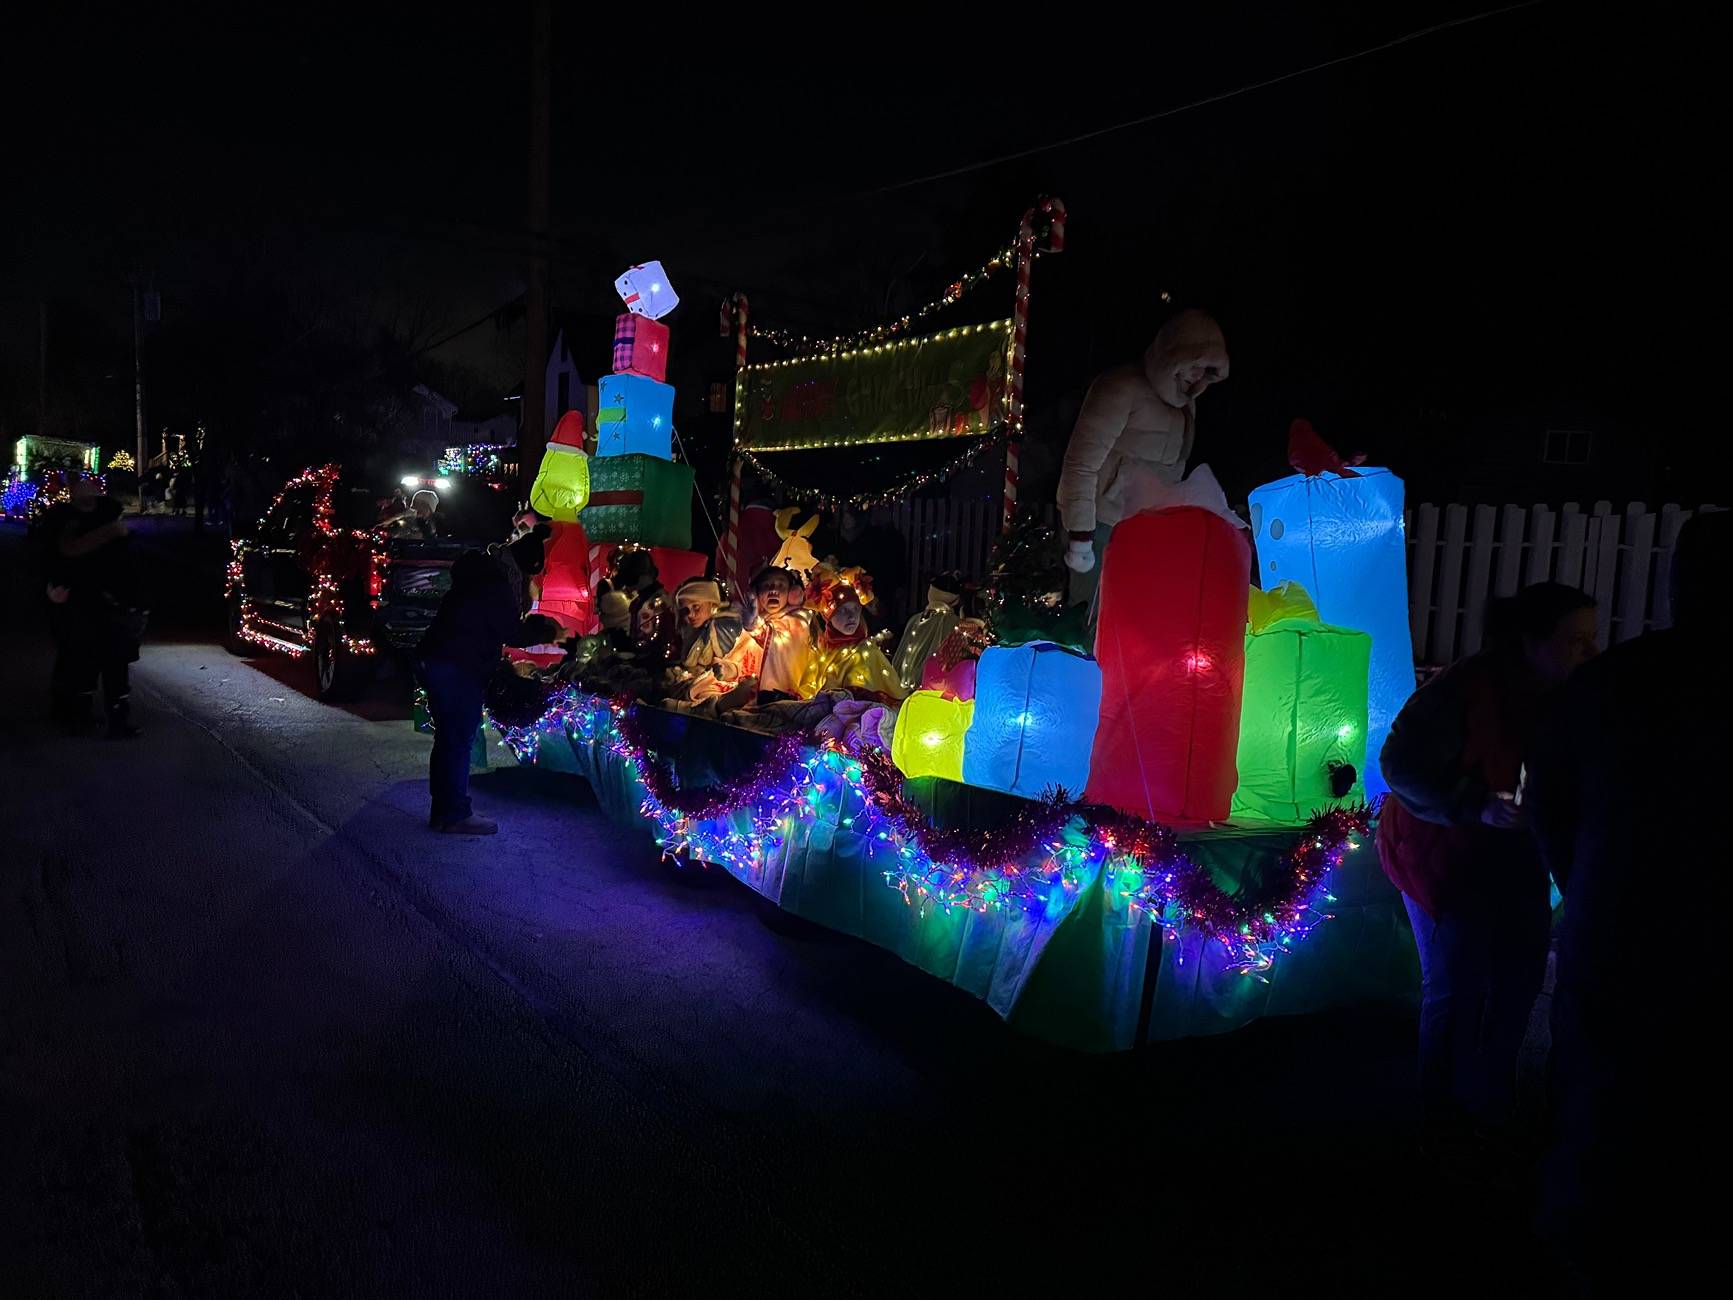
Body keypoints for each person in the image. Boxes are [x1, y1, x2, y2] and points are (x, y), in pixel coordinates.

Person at [1528, 512, 1728, 1285]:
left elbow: (1550, 801)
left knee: (1603, 1117)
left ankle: (1584, 1250)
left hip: (1617, 934)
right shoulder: (1611, 682)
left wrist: (1586, 888)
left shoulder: (1611, 682)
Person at [1376, 581, 1598, 1142]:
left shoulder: (1566, 699)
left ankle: (1494, 1100)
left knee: (1520, 977)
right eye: (1575, 641)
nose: (1589, 654)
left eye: (1590, 640)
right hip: (1438, 851)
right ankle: (1441, 1116)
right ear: (1532, 641)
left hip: (1512, 852)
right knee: (1456, 981)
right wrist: (1473, 803)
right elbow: (1399, 763)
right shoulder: (1466, 688)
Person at [1055, 308, 1230, 602]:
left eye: (1208, 370)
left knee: (1134, 616)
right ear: (1173, 356)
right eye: (1195, 364)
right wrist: (1081, 535)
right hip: (1100, 524)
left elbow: (1175, 471)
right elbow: (1081, 462)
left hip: (1145, 527)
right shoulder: (1121, 388)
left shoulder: (1187, 407)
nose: (1198, 375)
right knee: (1092, 616)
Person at [416, 550, 558, 834]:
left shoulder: (471, 581)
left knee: (447, 739)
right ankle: (455, 813)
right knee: (457, 740)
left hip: (436, 661)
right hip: (459, 668)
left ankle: (443, 810)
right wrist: (547, 630)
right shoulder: (497, 586)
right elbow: (511, 632)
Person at [32, 474, 146, 737]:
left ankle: (116, 718)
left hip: (110, 601)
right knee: (81, 659)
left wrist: (135, 600)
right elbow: (52, 557)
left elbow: (127, 564)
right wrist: (53, 586)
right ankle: (77, 712)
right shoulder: (62, 522)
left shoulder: (109, 519)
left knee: (114, 662)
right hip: (78, 601)